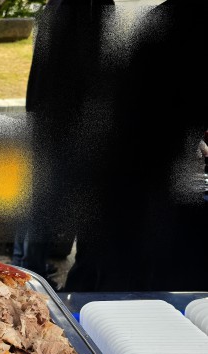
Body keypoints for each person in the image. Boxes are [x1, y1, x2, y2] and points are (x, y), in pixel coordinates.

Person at [64, 0, 208, 291]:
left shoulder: (169, 18)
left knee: (100, 273)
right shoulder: (187, 25)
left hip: (123, 177)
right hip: (138, 184)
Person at [12, 0, 116, 289]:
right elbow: (96, 68)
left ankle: (26, 265)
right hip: (70, 122)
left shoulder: (55, 5)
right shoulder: (92, 6)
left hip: (46, 115)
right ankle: (33, 272)